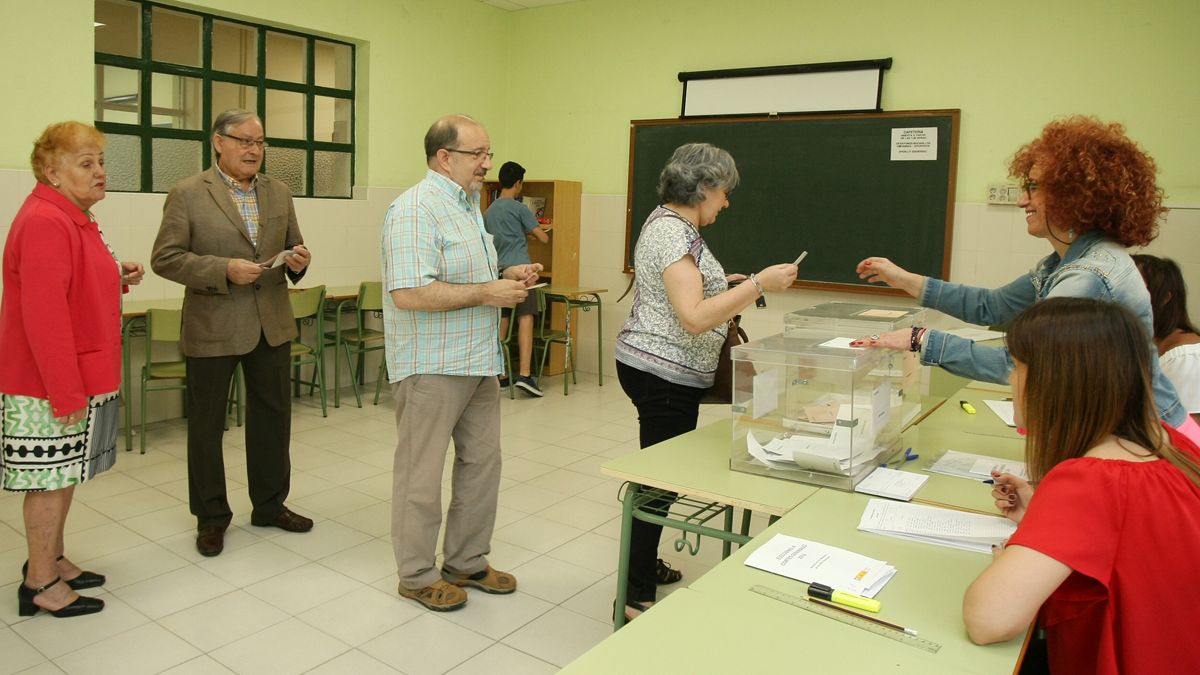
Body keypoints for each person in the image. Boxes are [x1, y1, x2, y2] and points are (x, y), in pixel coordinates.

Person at [852, 115, 1197, 440]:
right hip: (1136, 432)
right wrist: (902, 279)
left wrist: (920, 340)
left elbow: (1027, 363)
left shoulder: (1087, 276)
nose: (1022, 201)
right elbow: (991, 307)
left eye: (1033, 188)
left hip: (1154, 440)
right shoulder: (1064, 263)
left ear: (1073, 194)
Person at [962, 297, 1200, 673]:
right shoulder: (1173, 444)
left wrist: (1009, 558)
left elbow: (989, 621)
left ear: (1056, 381)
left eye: (1018, 366)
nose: (1011, 380)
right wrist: (1042, 516)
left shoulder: (1090, 479)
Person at [614, 142, 798, 620]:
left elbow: (690, 291)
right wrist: (756, 285)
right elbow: (694, 318)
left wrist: (726, 284)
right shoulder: (674, 235)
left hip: (663, 368)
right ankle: (633, 593)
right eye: (724, 193)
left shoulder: (669, 224)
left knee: (662, 476)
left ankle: (643, 565)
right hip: (662, 371)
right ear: (705, 188)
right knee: (658, 483)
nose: (727, 202)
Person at [382, 114, 541, 612]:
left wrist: (507, 271)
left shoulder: (469, 205)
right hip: (431, 365)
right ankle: (416, 574)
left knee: (482, 465)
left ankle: (466, 561)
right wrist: (486, 292)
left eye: (489, 154)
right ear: (445, 157)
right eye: (478, 155)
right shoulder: (414, 209)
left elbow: (466, 272)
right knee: (421, 474)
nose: (488, 164)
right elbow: (408, 293)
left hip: (477, 360)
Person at [151, 109, 314, 558]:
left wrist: (299, 259)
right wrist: (223, 269)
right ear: (218, 142)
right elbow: (165, 258)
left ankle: (269, 505)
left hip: (272, 323)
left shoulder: (278, 192)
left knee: (273, 420)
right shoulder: (187, 194)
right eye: (244, 140)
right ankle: (211, 517)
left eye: (260, 143)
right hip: (213, 325)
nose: (253, 150)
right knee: (206, 426)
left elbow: (293, 245)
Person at [1, 121, 145, 617]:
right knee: (47, 479)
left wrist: (113, 275)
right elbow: (44, 319)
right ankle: (39, 581)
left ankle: (53, 559)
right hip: (46, 384)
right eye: (87, 163)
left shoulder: (73, 215)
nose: (100, 172)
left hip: (71, 376)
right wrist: (65, 393)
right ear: (51, 170)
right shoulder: (46, 220)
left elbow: (71, 285)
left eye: (101, 161)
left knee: (63, 475)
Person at [484, 161, 551, 397]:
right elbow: (543, 239)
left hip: (498, 272)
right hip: (523, 272)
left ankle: (500, 374)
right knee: (525, 318)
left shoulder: (489, 211)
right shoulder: (520, 208)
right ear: (519, 183)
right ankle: (524, 374)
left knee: (501, 321)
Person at [1132, 254, 1200, 425]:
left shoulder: (1187, 356)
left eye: (1134, 288)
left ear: (1165, 297)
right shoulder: (1148, 347)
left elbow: (1187, 437)